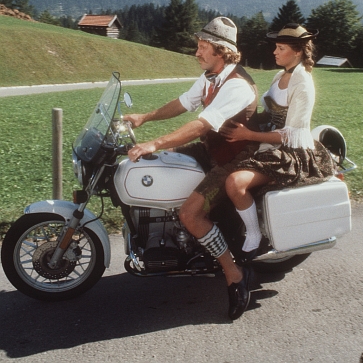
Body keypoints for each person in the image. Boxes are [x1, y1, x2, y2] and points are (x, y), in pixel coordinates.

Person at [124, 16, 259, 320]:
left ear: (221, 51)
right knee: (163, 164)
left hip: (234, 160)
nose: (196, 52)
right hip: (212, 149)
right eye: (198, 46)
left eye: (203, 47)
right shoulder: (212, 76)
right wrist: (144, 117)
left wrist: (154, 143)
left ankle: (234, 275)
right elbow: (184, 103)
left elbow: (201, 124)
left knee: (189, 213)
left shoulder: (237, 86)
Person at [220, 23, 336, 281]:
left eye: (280, 48)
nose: (275, 51)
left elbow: (291, 134)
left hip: (291, 153)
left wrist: (248, 135)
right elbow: (268, 115)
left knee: (235, 183)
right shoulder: (278, 76)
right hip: (268, 143)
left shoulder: (303, 83)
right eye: (275, 46)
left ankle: (254, 235)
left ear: (296, 52)